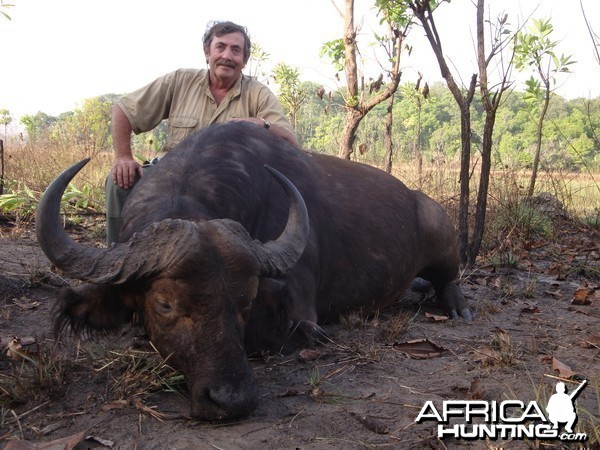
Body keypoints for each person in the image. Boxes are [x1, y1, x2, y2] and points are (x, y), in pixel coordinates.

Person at [106, 20, 297, 244]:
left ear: (244, 61)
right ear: (207, 52)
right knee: (118, 181)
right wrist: (123, 157)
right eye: (220, 47)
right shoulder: (179, 80)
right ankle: (118, 257)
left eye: (236, 50)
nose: (227, 55)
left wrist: (261, 125)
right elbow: (124, 110)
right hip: (168, 179)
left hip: (228, 189)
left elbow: (290, 143)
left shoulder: (258, 94)